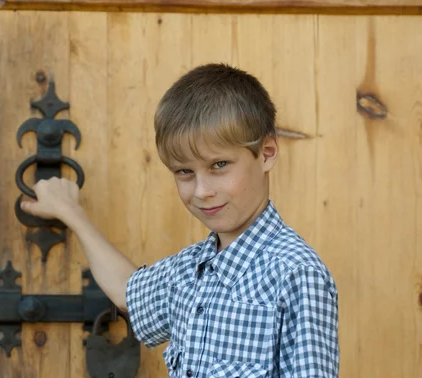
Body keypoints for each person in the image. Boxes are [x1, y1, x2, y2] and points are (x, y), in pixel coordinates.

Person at [20, 63, 339, 377]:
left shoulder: (296, 273)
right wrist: (71, 212)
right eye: (185, 172)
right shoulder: (190, 270)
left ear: (266, 153)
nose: (202, 191)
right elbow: (127, 292)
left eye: (219, 165)